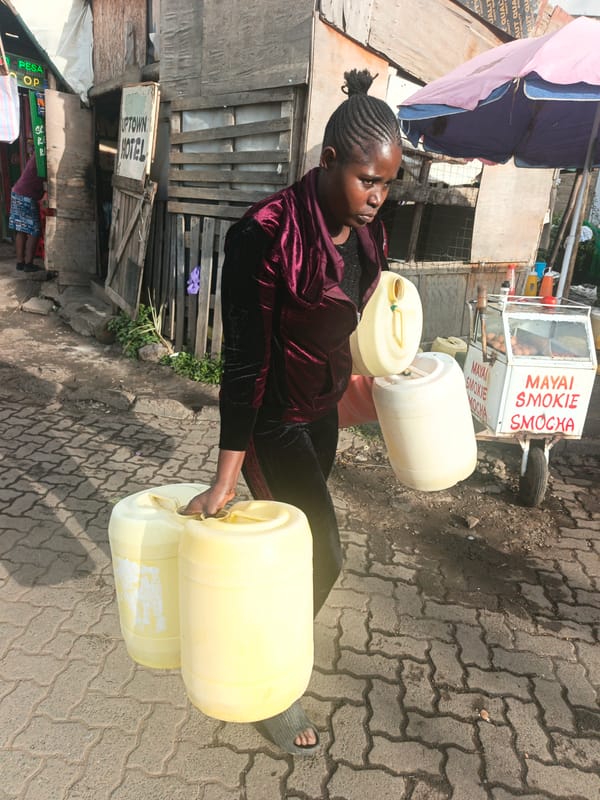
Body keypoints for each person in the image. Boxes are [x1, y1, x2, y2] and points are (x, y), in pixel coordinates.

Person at [182, 68, 403, 755]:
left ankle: (256, 641)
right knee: (322, 552)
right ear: (328, 161)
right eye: (368, 179)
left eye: (389, 183)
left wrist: (367, 388)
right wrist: (226, 475)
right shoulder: (265, 235)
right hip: (274, 423)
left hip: (325, 411)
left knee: (291, 553)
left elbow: (355, 323)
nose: (377, 197)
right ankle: (267, 678)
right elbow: (243, 361)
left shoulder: (367, 235)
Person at [9, 153, 45, 273]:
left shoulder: (39, 155)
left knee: (21, 229)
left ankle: (20, 262)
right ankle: (29, 264)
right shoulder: (43, 157)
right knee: (35, 230)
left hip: (17, 192)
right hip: (27, 195)